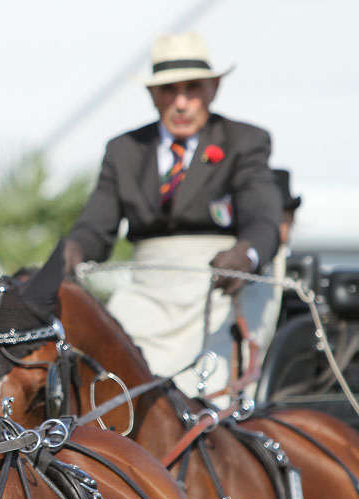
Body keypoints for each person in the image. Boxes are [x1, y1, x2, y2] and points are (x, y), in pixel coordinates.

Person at [64, 32, 283, 402]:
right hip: (146, 291)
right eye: (169, 90)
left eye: (192, 88)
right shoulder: (124, 150)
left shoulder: (244, 140)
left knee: (210, 392)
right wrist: (70, 253)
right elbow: (95, 228)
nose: (181, 103)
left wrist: (244, 256)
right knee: (109, 370)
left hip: (222, 285)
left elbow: (263, 220)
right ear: (152, 95)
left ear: (213, 89)